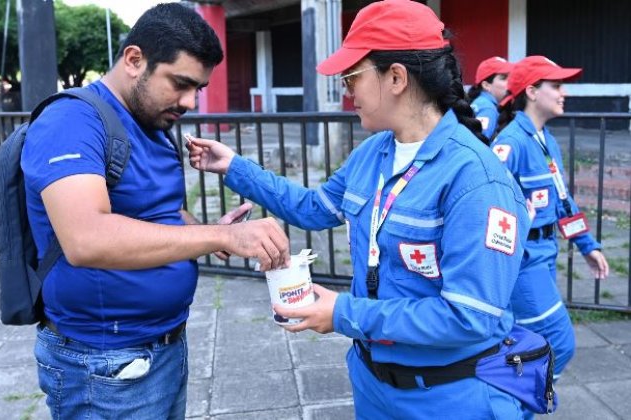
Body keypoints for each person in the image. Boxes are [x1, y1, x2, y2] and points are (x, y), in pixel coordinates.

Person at [188, 1, 532, 417]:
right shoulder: (374, 152)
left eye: (353, 77)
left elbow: (468, 316)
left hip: (448, 395)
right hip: (373, 381)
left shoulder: (477, 180)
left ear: (396, 77)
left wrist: (342, 312)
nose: (347, 90)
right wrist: (235, 167)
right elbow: (315, 208)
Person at [21, 4, 290, 419]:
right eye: (181, 83)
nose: (190, 101)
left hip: (160, 348)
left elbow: (158, 213)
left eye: (198, 87)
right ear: (134, 59)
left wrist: (205, 232)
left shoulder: (150, 121)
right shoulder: (71, 121)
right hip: (104, 364)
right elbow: (86, 237)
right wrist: (220, 237)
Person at [492, 56, 609, 384]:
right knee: (559, 341)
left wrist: (586, 245)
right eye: (555, 85)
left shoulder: (545, 139)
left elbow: (562, 200)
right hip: (524, 261)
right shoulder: (510, 144)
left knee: (523, 344)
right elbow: (488, 207)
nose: (563, 93)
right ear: (531, 91)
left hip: (545, 255)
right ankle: (517, 402)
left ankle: (510, 404)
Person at [467, 56, 512, 139]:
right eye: (504, 78)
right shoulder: (487, 108)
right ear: (486, 85)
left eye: (510, 77)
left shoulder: (481, 102)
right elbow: (479, 143)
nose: (510, 82)